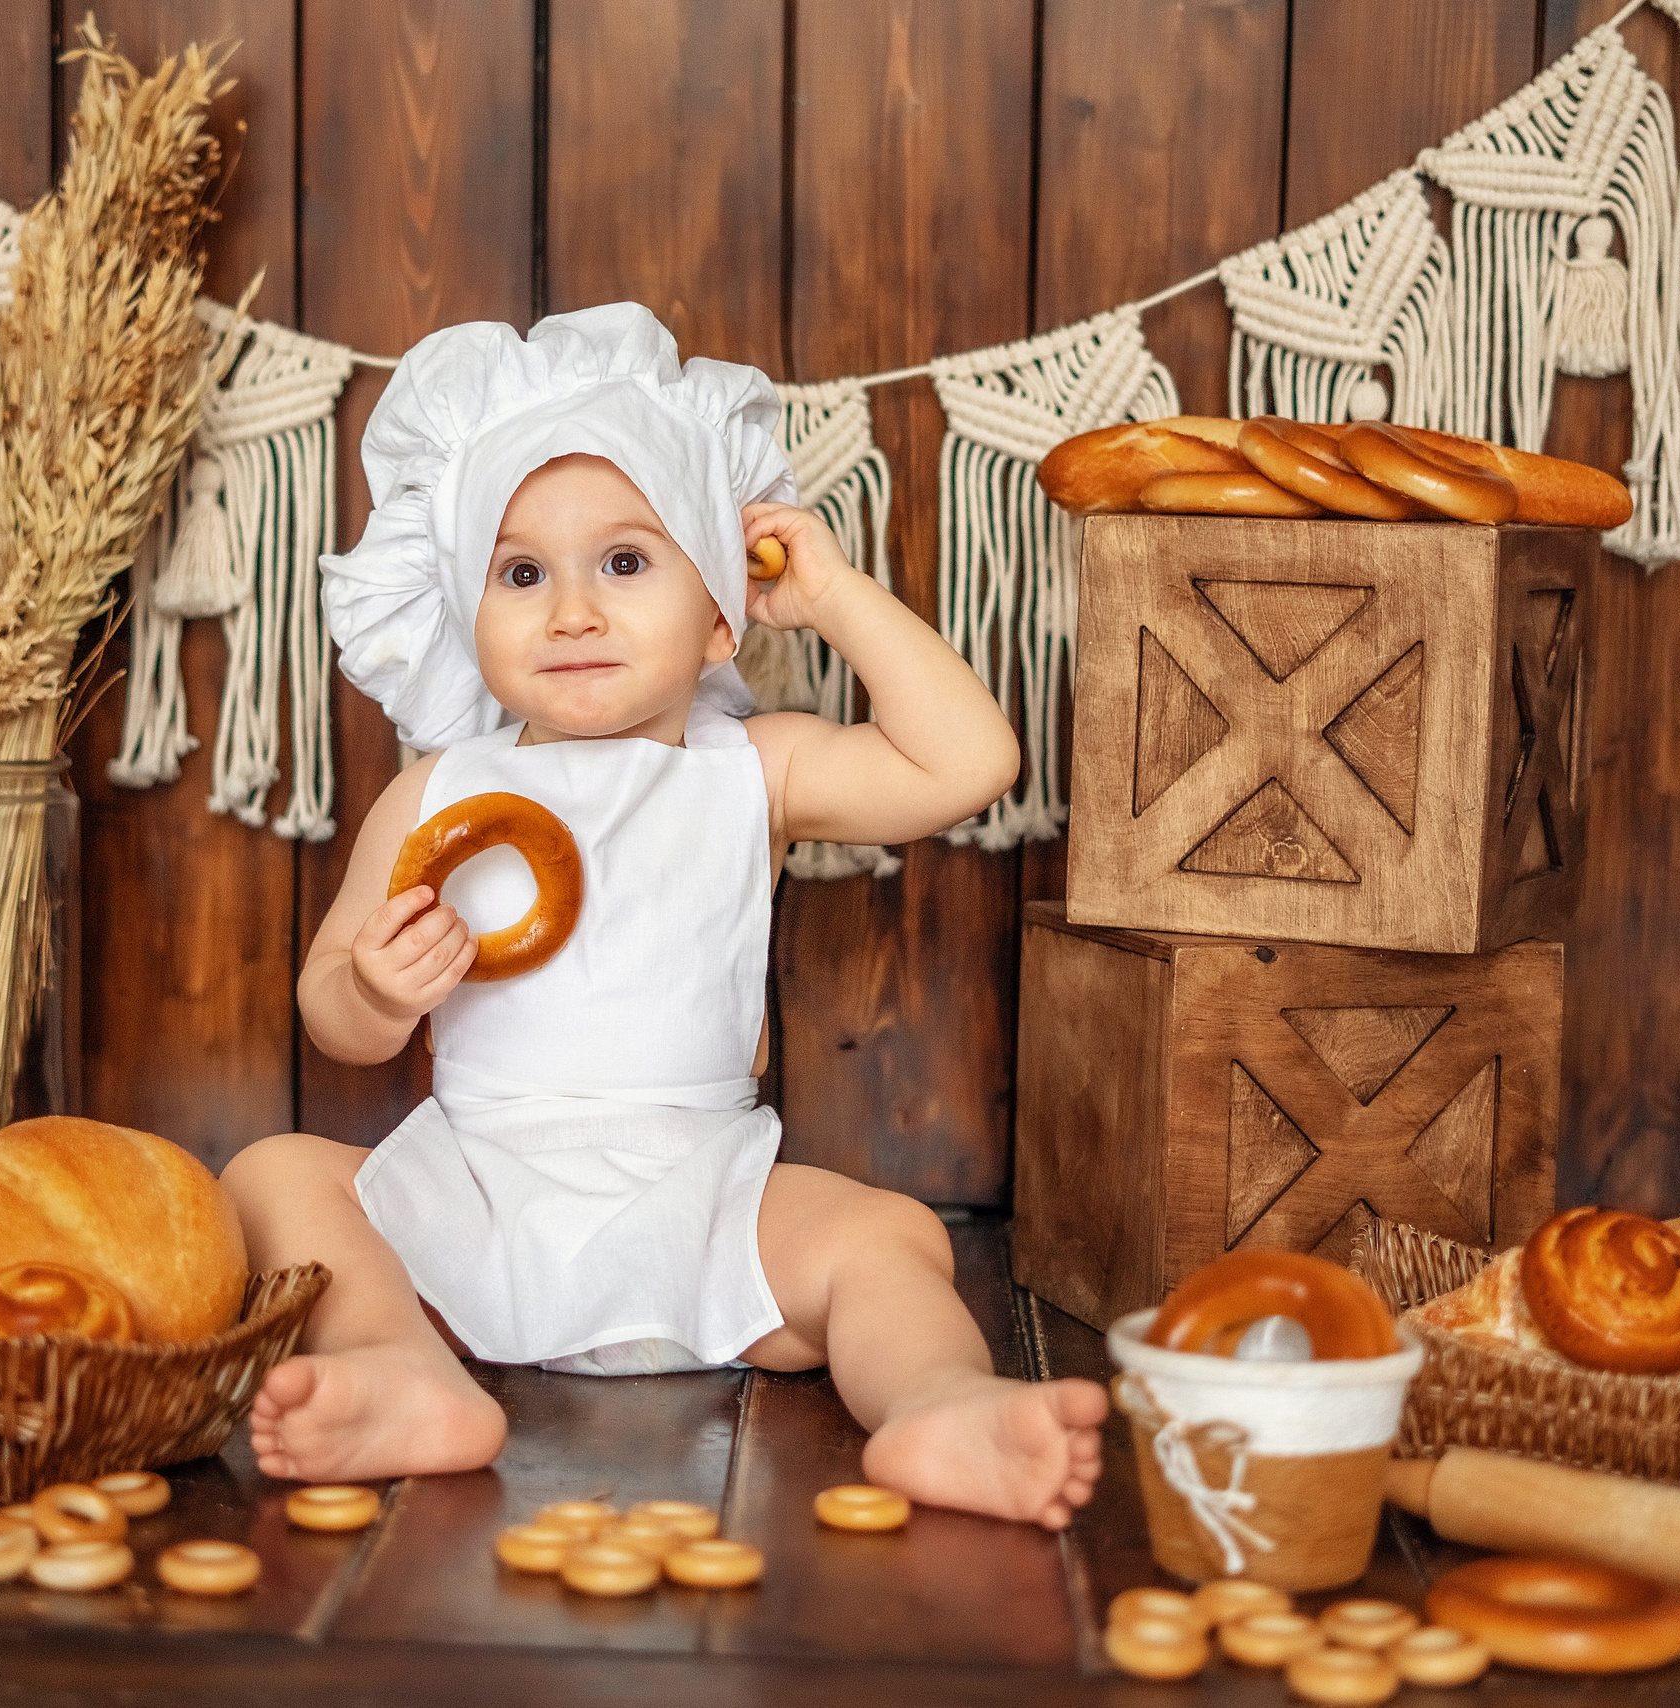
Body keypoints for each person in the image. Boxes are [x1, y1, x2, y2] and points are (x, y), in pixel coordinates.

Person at [221, 304, 1104, 1529]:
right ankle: (402, 1366)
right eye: (521, 574)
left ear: (720, 613)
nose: (571, 612)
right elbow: (335, 1018)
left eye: (625, 564)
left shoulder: (757, 767)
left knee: (888, 1234)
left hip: (700, 1189)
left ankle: (942, 1403)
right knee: (275, 1172)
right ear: (466, 613)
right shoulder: (440, 791)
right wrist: (375, 987)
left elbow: (971, 762)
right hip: (476, 1184)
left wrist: (834, 595)